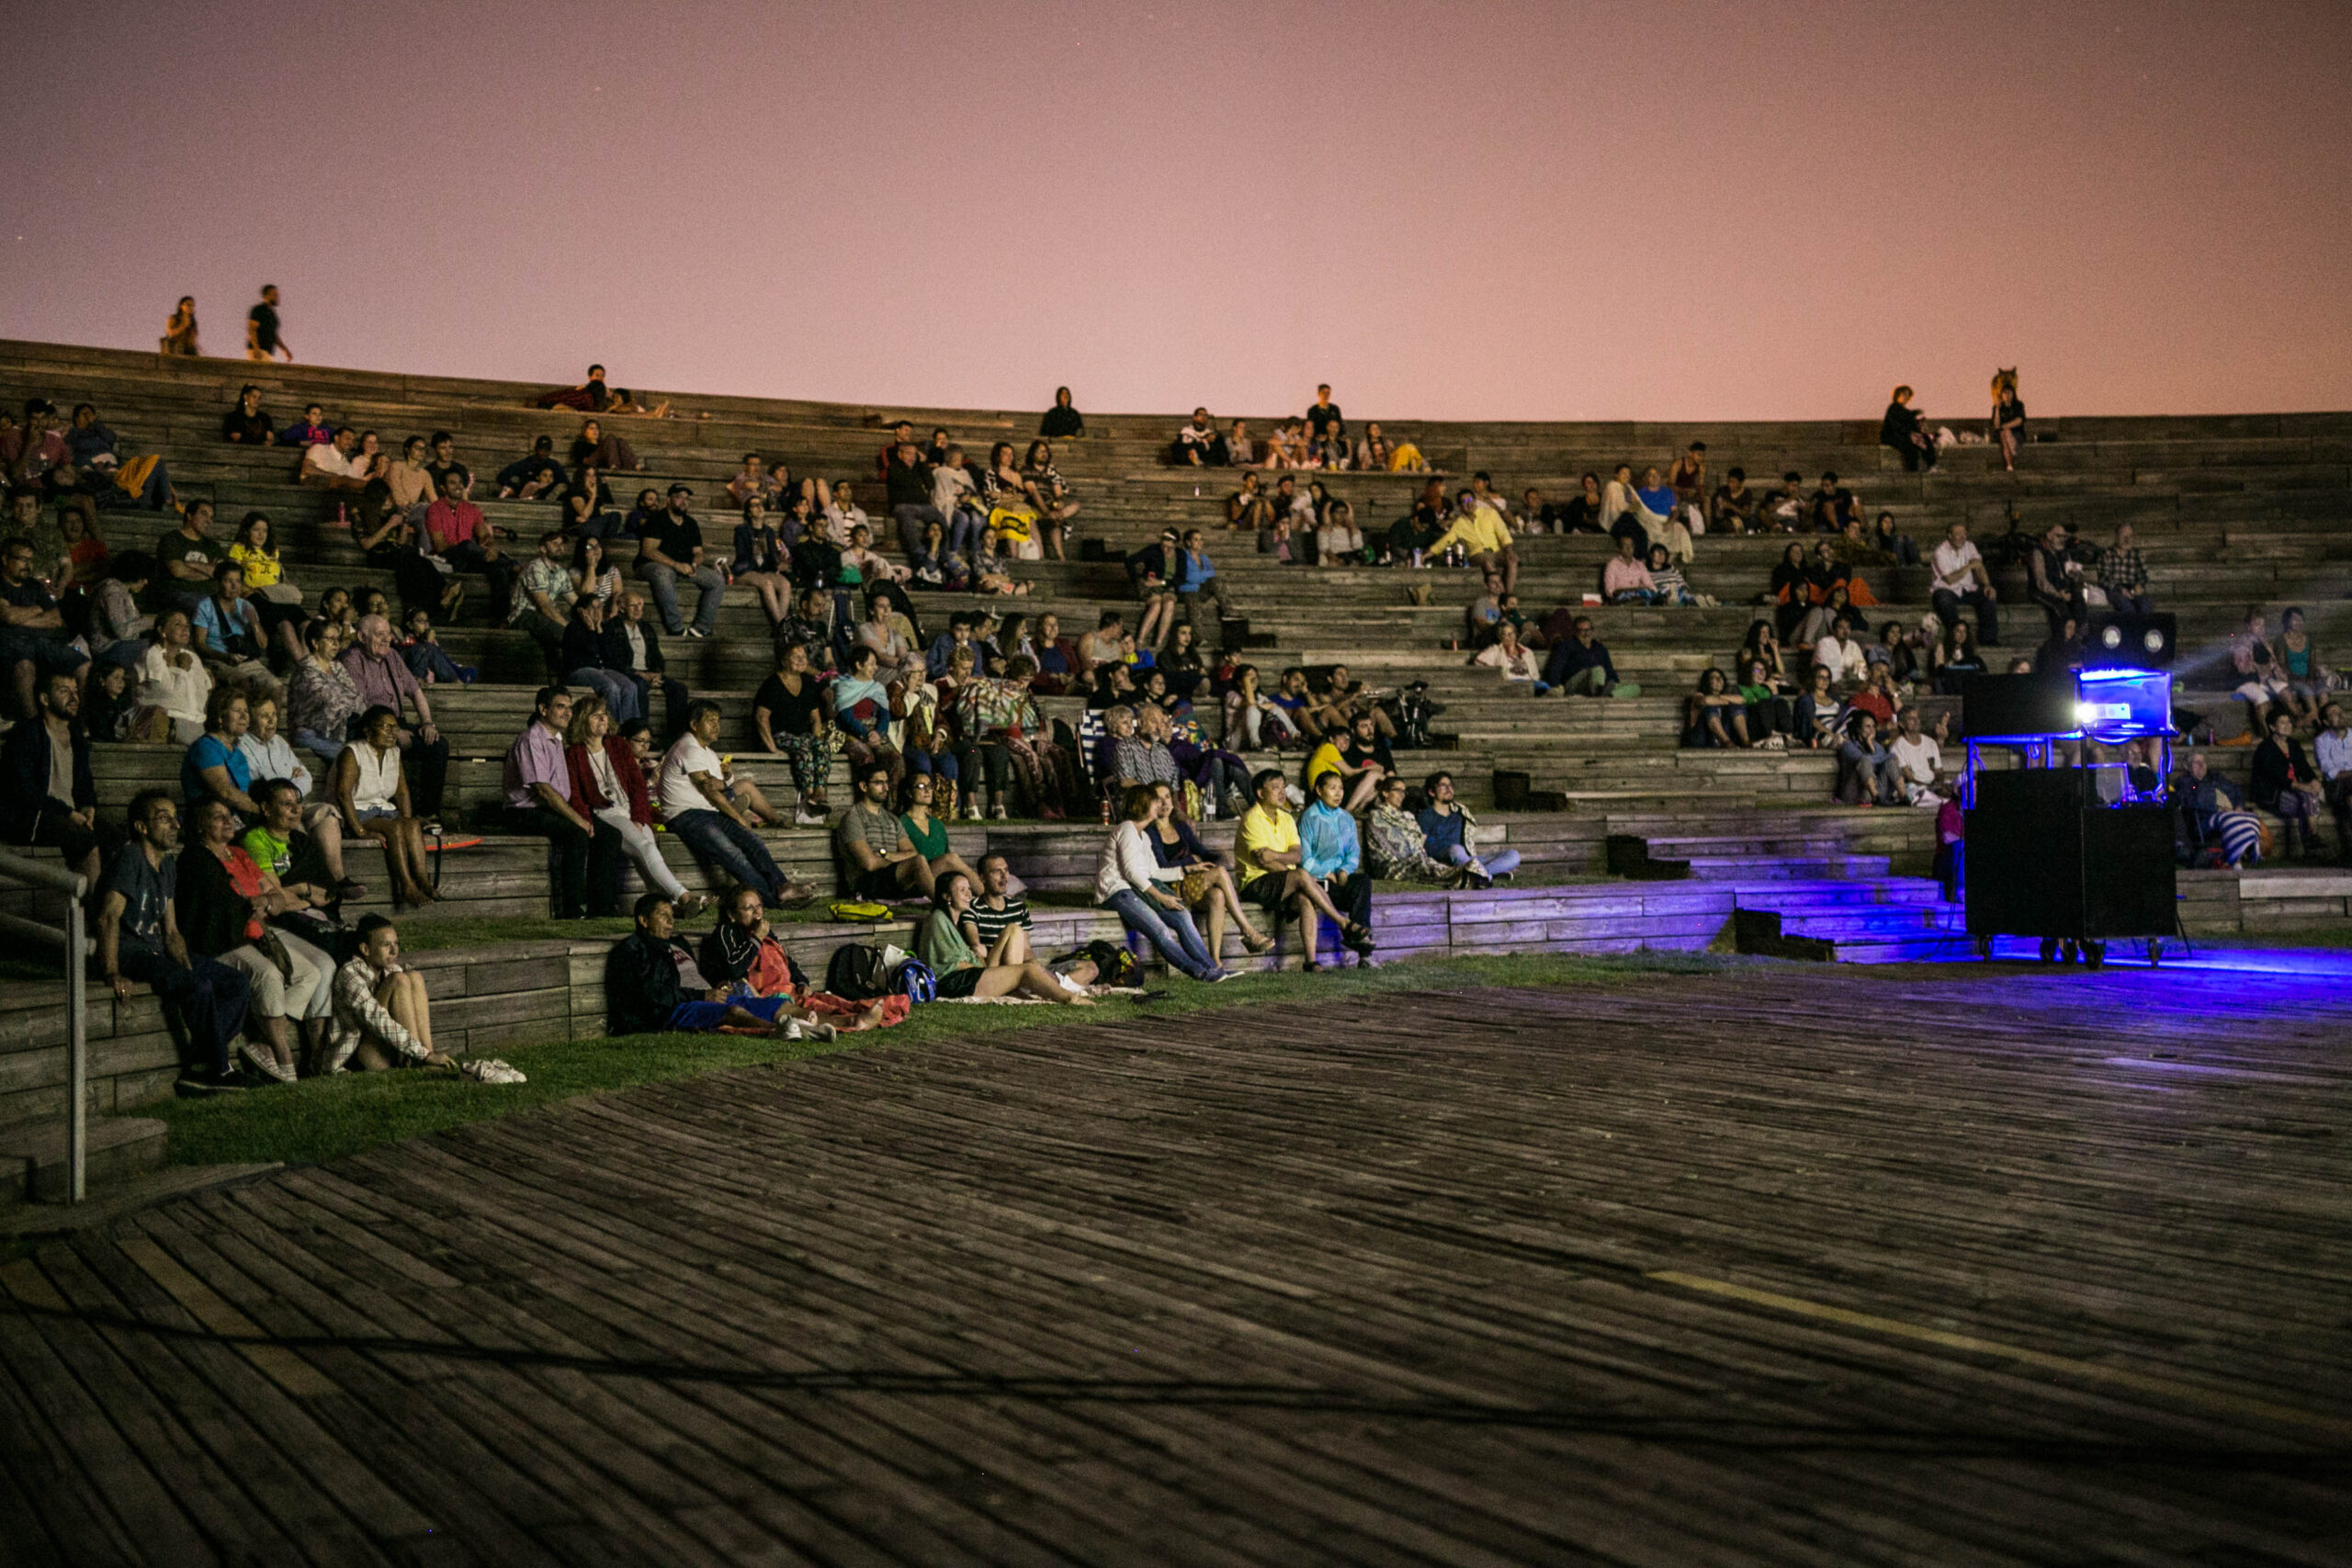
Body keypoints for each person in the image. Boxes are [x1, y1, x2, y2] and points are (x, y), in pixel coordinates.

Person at [97, 791, 250, 1090]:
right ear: (141, 827)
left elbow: (171, 928)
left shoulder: (167, 864)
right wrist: (112, 971)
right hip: (132, 952)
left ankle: (199, 1064)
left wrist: (186, 963)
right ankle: (220, 1071)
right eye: (164, 818)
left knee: (237, 984)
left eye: (175, 818)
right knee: (199, 986)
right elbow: (108, 918)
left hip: (158, 950)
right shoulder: (130, 858)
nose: (175, 826)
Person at [176, 797, 321, 1082]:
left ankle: (262, 1041)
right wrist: (251, 904)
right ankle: (283, 1054)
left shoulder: (239, 855)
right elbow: (217, 909)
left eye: (229, 815)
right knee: (267, 975)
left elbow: (277, 899)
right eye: (218, 817)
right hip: (224, 942)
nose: (228, 820)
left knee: (310, 973)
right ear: (201, 825)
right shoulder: (197, 858)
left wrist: (266, 901)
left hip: (257, 934)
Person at [659, 700, 815, 908]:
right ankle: (773, 899)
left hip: (708, 813)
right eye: (710, 721)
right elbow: (710, 791)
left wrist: (725, 782)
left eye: (718, 721)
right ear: (694, 725)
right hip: (685, 816)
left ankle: (783, 886)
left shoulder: (709, 753)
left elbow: (720, 787)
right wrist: (738, 816)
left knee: (753, 842)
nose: (716, 725)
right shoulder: (688, 747)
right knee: (732, 854)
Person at [606, 895, 828, 1036]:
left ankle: (821, 1025)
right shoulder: (632, 950)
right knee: (732, 1010)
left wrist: (718, 985)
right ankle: (776, 1030)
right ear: (643, 921)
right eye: (663, 916)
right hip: (664, 1012)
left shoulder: (673, 943)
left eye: (671, 915)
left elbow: (699, 973)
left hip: (694, 996)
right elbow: (653, 994)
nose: (671, 921)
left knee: (764, 1004)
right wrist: (701, 996)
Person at [564, 692, 700, 916]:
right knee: (646, 849)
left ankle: (665, 909)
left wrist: (638, 816)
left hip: (630, 810)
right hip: (606, 813)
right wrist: (586, 821)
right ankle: (684, 896)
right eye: (596, 715)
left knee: (646, 860)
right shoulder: (574, 754)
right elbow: (575, 794)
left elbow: (637, 784)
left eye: (604, 714)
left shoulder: (617, 744)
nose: (603, 719)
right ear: (582, 720)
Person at [502, 685, 624, 919]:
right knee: (576, 833)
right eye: (561, 706)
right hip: (523, 812)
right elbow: (543, 790)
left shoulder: (557, 740)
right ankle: (572, 908)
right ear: (543, 709)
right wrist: (578, 819)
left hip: (549, 808)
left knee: (610, 835)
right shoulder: (531, 739)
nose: (568, 712)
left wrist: (585, 815)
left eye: (569, 707)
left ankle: (603, 906)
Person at [1091, 785, 1231, 982]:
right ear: (1144, 804)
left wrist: (1185, 870)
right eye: (1155, 800)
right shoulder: (1127, 829)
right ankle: (1201, 973)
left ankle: (1214, 969)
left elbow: (1153, 872)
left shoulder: (1144, 836)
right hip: (1117, 891)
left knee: (1182, 916)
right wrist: (1161, 897)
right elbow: (1132, 873)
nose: (1160, 804)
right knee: (1160, 930)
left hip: (1136, 890)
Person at [1235, 767, 1363, 965]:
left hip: (1284, 881)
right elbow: (1263, 862)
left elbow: (1297, 855)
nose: (1282, 793)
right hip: (1255, 884)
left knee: (1305, 898)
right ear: (1261, 793)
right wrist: (1295, 874)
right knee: (1303, 876)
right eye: (1275, 788)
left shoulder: (1286, 817)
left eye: (1283, 787)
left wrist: (1278, 857)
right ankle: (1342, 922)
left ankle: (1310, 962)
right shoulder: (1252, 818)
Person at [238, 690, 360, 897]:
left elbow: (307, 778)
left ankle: (338, 879)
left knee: (327, 813)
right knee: (296, 824)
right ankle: (306, 886)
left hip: (295, 801)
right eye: (264, 716)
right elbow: (262, 786)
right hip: (271, 811)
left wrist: (291, 788)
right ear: (250, 719)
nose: (271, 720)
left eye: (274, 714)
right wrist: (291, 781)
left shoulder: (280, 743)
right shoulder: (243, 746)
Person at [912, 872, 1097, 1001]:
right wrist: (984, 967)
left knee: (1016, 938)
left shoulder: (955, 922)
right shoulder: (937, 919)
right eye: (962, 890)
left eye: (969, 889)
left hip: (970, 975)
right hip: (954, 983)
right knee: (1027, 971)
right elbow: (947, 962)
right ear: (946, 896)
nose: (969, 894)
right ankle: (1069, 998)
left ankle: (1049, 991)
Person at [342, 615, 449, 818]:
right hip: (368, 726)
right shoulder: (352, 660)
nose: (386, 639)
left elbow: (416, 692)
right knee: (389, 744)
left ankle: (427, 814)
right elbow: (358, 706)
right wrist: (393, 732)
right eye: (379, 634)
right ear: (362, 637)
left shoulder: (392, 656)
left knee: (438, 744)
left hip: (395, 721)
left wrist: (428, 723)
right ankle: (390, 813)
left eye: (388, 633)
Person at [0, 669, 98, 886]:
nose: (74, 697)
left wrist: (88, 805)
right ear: (44, 699)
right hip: (34, 817)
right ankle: (95, 916)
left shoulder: (77, 738)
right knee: (86, 840)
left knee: (117, 839)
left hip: (68, 815)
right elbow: (24, 790)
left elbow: (85, 782)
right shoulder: (27, 734)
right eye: (64, 691)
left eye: (75, 690)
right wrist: (67, 812)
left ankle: (112, 913)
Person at [334, 705, 438, 908]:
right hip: (357, 812)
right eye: (385, 727)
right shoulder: (353, 752)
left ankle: (423, 880)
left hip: (384, 811)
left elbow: (402, 792)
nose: (392, 732)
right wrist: (360, 830)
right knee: (395, 828)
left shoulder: (394, 753)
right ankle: (407, 886)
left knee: (412, 825)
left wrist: (408, 820)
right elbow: (343, 794)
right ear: (368, 731)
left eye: (395, 727)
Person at [0, 533, 88, 718]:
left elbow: (55, 620)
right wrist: (39, 609)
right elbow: (8, 616)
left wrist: (21, 616)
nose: (27, 565)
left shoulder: (34, 586)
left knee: (83, 663)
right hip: (10, 642)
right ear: (5, 558)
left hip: (42, 643)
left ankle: (80, 721)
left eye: (30, 560)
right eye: (22, 559)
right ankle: (34, 724)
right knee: (25, 666)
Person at [1297, 771, 1376, 967]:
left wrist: (1344, 871)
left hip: (1340, 878)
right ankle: (1357, 939)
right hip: (1318, 881)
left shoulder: (1346, 818)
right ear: (1319, 790)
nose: (1338, 793)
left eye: (1340, 788)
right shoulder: (1309, 818)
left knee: (1362, 882)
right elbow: (1305, 859)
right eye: (1332, 788)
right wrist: (1327, 872)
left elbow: (1353, 851)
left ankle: (1363, 952)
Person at [424, 467, 516, 625]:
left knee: (499, 571)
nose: (459, 486)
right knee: (466, 545)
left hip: (472, 559)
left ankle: (501, 620)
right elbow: (440, 545)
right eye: (453, 483)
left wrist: (489, 549)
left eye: (460, 483)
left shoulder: (471, 509)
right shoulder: (434, 509)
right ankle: (510, 563)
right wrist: (475, 550)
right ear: (443, 488)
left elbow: (484, 536)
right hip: (447, 559)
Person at [836, 761, 939, 901]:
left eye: (887, 782)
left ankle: (978, 900)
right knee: (919, 862)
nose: (885, 788)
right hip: (868, 884)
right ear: (864, 786)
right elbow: (869, 864)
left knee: (949, 860)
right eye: (879, 783)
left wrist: (886, 855)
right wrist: (900, 861)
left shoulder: (892, 819)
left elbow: (912, 852)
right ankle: (944, 908)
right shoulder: (853, 818)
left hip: (894, 878)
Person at [632, 485, 724, 640]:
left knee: (717, 579)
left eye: (687, 499)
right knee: (663, 572)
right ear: (668, 500)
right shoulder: (656, 520)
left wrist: (695, 563)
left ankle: (701, 629)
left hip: (683, 568)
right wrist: (676, 565)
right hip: (649, 566)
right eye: (679, 497)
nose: (684, 501)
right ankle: (676, 628)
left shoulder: (691, 523)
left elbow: (698, 552)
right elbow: (648, 551)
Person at [1415, 771, 1518, 885]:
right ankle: (1486, 874)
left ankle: (1482, 875)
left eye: (1450, 785)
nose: (1449, 789)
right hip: (1443, 862)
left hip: (1466, 860)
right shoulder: (1426, 816)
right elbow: (1419, 845)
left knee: (1513, 855)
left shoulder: (1460, 813)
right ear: (1431, 792)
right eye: (1443, 786)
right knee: (1456, 849)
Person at [2251, 707, 2325, 860]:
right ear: (2272, 727)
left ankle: (2312, 840)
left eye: (2289, 722)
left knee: (2307, 800)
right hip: (2271, 794)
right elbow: (2278, 778)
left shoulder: (2293, 744)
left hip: (2294, 792)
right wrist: (2303, 786)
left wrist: (2314, 780)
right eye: (2282, 723)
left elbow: (2304, 767)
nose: (2288, 725)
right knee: (2307, 801)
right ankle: (2312, 838)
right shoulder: (2265, 749)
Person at [134, 607, 211, 743]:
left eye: (187, 625)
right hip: (170, 721)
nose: (185, 629)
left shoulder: (192, 657)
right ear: (162, 631)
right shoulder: (151, 654)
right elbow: (167, 696)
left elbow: (202, 695)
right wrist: (181, 670)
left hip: (197, 723)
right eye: (178, 624)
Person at [1428, 489, 1520, 592]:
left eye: (1470, 499)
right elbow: (1446, 541)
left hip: (1496, 551)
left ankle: (1508, 595)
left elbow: (1503, 533)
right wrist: (1427, 554)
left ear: (1475, 500)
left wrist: (1509, 550)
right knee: (1487, 562)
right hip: (1477, 554)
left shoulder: (1490, 513)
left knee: (1513, 559)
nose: (1469, 503)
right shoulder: (1459, 523)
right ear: (1460, 506)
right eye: (1464, 502)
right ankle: (1499, 591)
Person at [1543, 615, 1634, 697]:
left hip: (1600, 683)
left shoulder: (1600, 648)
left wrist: (1615, 684)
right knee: (1598, 670)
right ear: (1575, 632)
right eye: (1582, 631)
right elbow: (1556, 667)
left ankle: (1609, 696)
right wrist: (1555, 686)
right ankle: (1600, 692)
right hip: (1574, 683)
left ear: (1592, 631)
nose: (1586, 634)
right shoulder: (1567, 645)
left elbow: (1610, 670)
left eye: (1588, 630)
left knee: (1634, 688)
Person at [1836, 713, 1905, 807]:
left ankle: (1904, 797)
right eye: (1868, 726)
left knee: (1891, 762)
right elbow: (1863, 759)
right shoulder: (1848, 745)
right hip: (1854, 793)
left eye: (1873, 726)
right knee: (1865, 761)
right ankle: (1875, 797)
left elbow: (1889, 759)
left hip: (1876, 790)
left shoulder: (1876, 746)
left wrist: (1872, 747)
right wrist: (1882, 755)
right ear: (1859, 729)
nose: (1872, 730)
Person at [2313, 702, 2352, 862]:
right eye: (2333, 713)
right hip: (2335, 786)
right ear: (2326, 722)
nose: (2339, 715)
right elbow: (2329, 771)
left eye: (2340, 711)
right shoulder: (2321, 741)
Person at [1887, 708, 1949, 804]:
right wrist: (1931, 788)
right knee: (1916, 791)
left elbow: (1939, 771)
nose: (1916, 721)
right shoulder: (1896, 747)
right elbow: (1909, 778)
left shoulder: (1931, 742)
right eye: (1911, 718)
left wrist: (1939, 784)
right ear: (1901, 724)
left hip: (1932, 787)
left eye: (1917, 718)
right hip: (1914, 788)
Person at [1683, 668, 1752, 749]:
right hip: (1702, 738)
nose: (1719, 680)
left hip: (1721, 736)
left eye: (1720, 677)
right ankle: (1726, 742)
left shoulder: (1726, 697)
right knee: (1710, 707)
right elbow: (1702, 701)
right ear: (1707, 681)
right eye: (1714, 678)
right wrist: (1724, 700)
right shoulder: (1699, 695)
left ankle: (1746, 741)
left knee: (1736, 706)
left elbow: (1742, 700)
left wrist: (1720, 698)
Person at [1881, 385, 1938, 471]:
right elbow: (1896, 426)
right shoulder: (1894, 408)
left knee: (1924, 439)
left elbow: (1912, 424)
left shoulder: (1905, 411)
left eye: (1908, 395)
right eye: (1903, 394)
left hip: (1904, 436)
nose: (1906, 397)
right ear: (1897, 395)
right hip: (1893, 437)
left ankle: (1931, 465)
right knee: (1912, 445)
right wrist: (1911, 432)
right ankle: (1917, 470)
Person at [1992, 371, 2028, 471]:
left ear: (2013, 394)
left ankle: (2009, 465)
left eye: (2009, 392)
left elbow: (2019, 421)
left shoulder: (2018, 405)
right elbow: (1996, 424)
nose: (2007, 395)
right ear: (2001, 395)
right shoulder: (1998, 408)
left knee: (2004, 433)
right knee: (2004, 434)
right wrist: (1997, 410)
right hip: (2002, 435)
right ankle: (2012, 454)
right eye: (2004, 393)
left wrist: (2005, 426)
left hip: (2017, 434)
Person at [245, 284, 290, 363]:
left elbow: (274, 335)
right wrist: (256, 348)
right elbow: (251, 329)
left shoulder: (273, 315)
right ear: (267, 295)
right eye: (275, 295)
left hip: (268, 352)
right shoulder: (259, 309)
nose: (277, 297)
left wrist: (285, 350)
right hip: (258, 351)